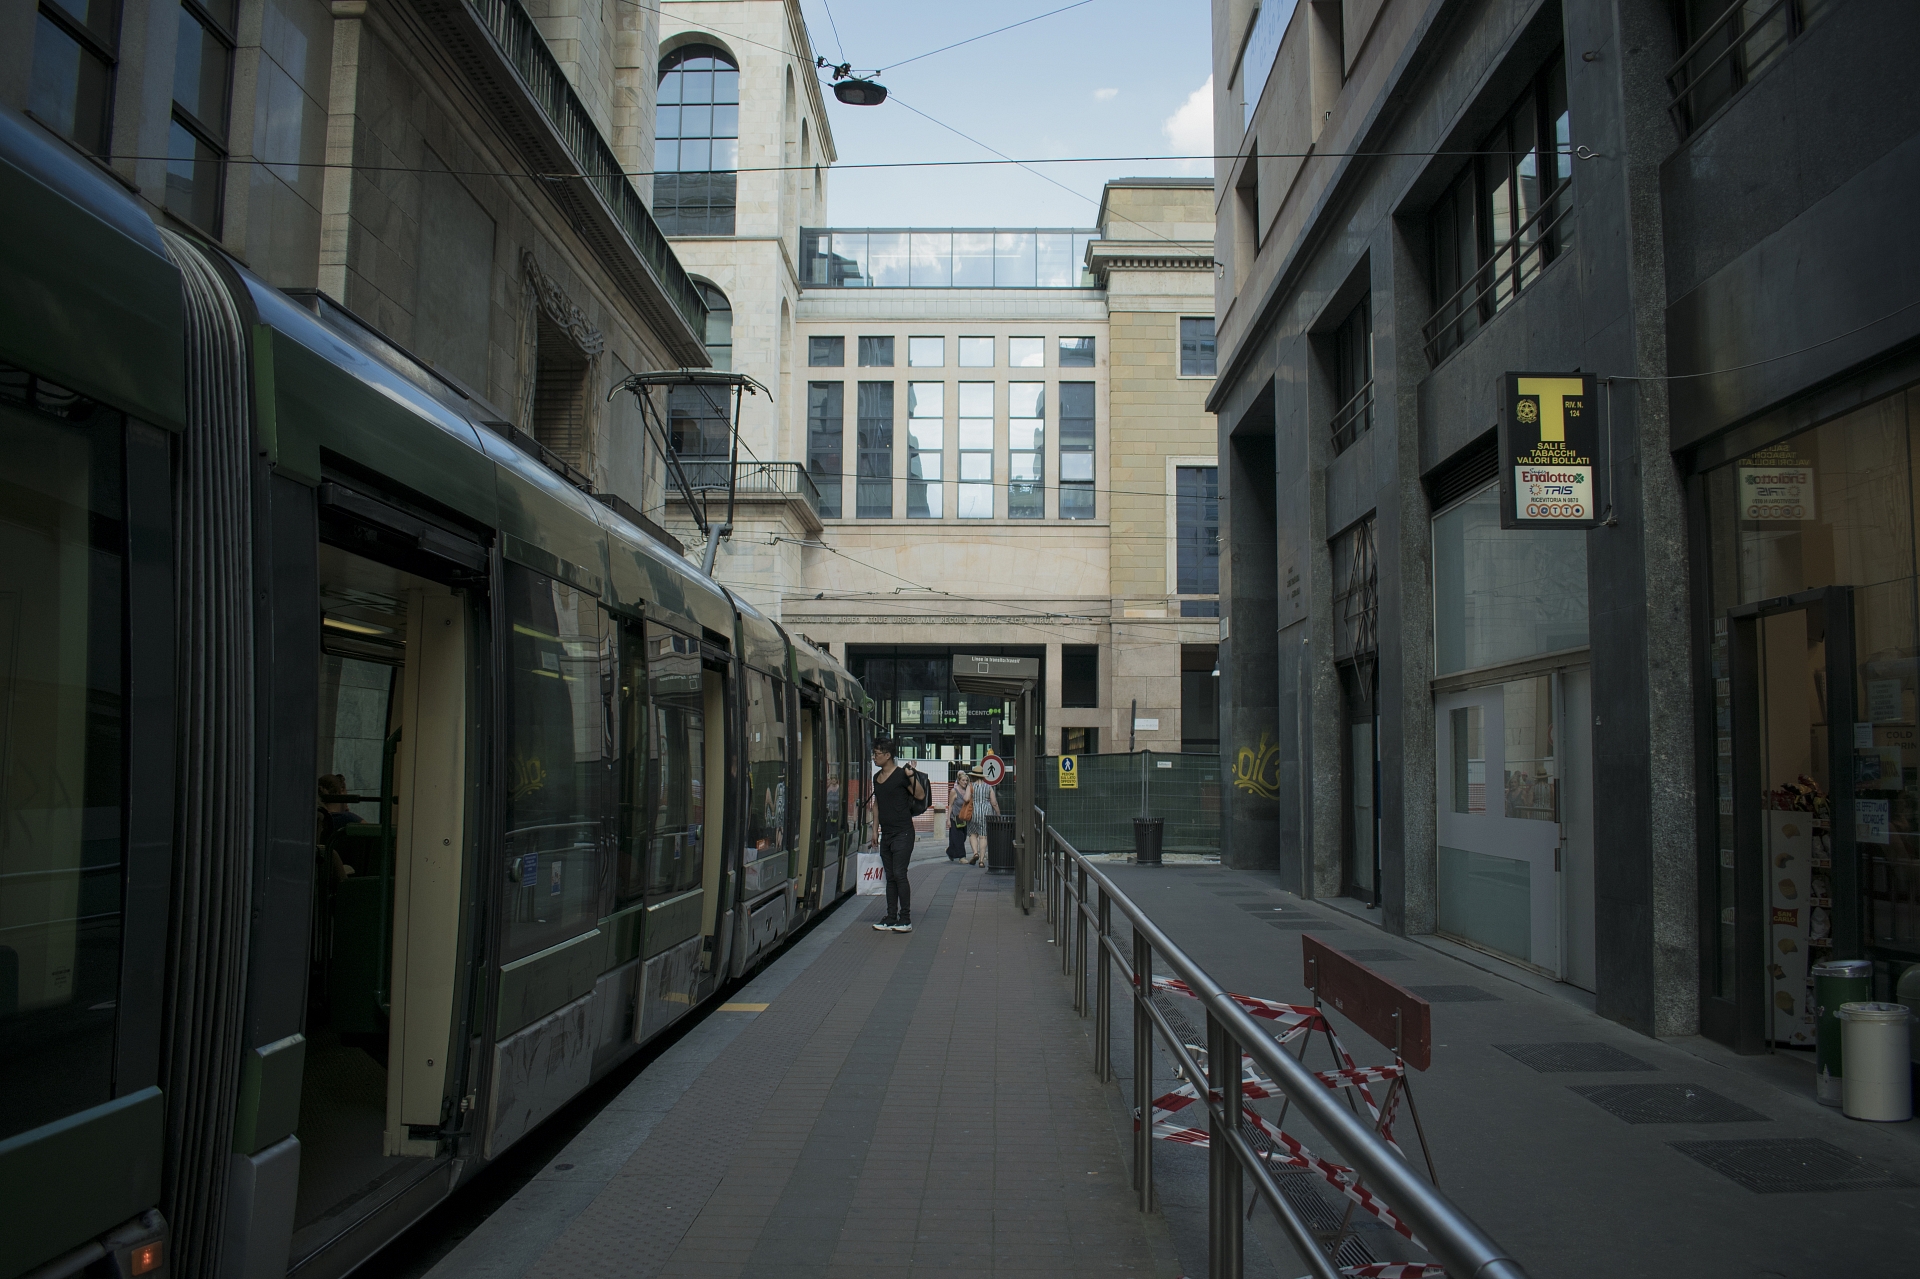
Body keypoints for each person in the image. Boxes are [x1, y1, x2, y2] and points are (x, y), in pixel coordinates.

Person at [867, 737, 920, 932]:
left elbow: (920, 795)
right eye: (874, 753)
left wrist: (912, 775)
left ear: (888, 755)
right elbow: (877, 804)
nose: (874, 757)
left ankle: (905, 918)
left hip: (903, 832)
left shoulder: (901, 775)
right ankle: (890, 917)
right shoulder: (877, 777)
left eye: (877, 754)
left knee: (899, 874)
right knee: (890, 876)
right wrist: (874, 830)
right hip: (886, 834)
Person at [965, 767, 1000, 866]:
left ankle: (975, 853)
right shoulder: (988, 787)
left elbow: (966, 798)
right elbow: (994, 803)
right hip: (986, 812)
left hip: (973, 811)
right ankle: (981, 860)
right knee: (983, 836)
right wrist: (998, 813)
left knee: (972, 834)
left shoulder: (970, 785)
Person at [946, 768, 972, 861]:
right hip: (955, 818)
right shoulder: (954, 791)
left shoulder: (967, 791)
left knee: (963, 837)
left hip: (964, 817)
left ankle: (950, 852)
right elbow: (950, 805)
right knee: (959, 837)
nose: (965, 782)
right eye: (963, 780)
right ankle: (962, 856)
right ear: (959, 781)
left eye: (966, 780)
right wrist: (948, 819)